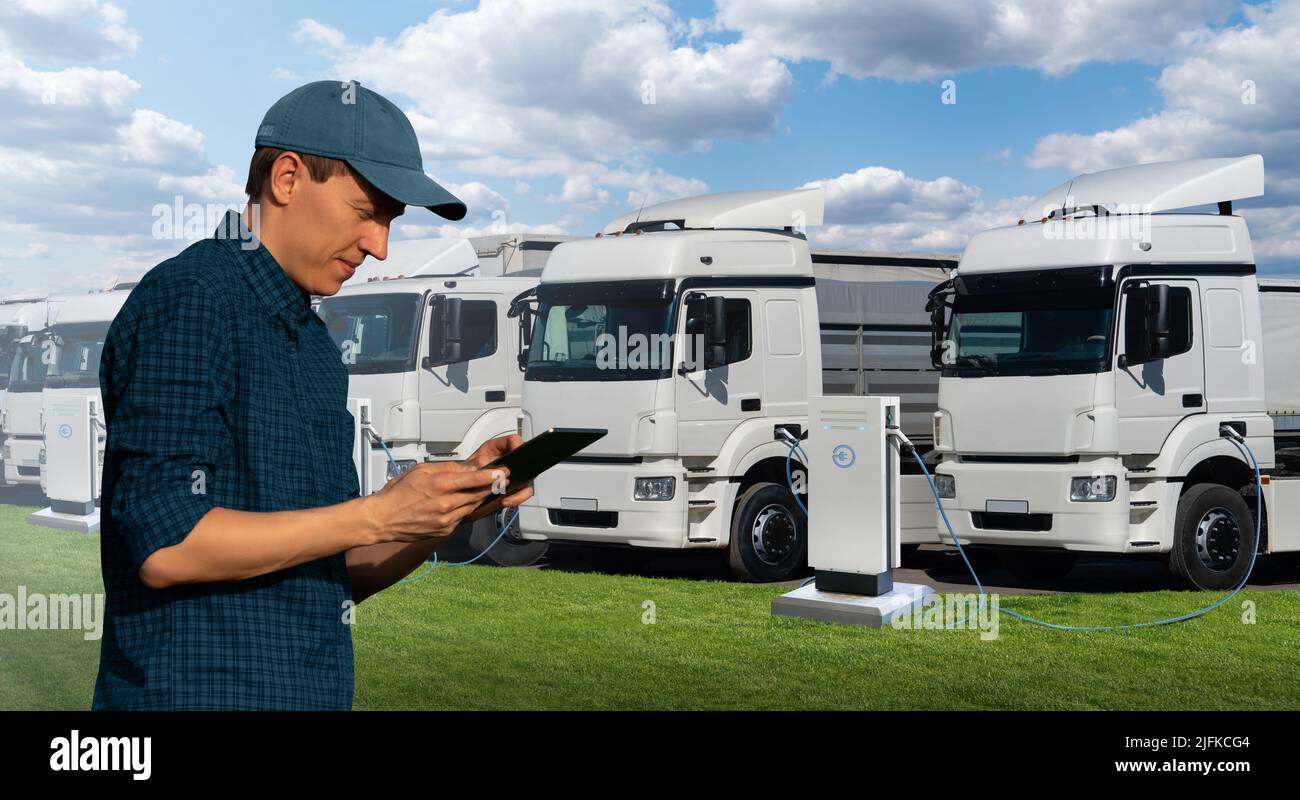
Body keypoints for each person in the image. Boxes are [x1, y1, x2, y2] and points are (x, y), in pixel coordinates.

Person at [92, 80, 531, 710]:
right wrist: (378, 512)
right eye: (367, 211)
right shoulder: (192, 297)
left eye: (390, 221)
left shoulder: (312, 340)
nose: (380, 245)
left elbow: (336, 570)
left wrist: (443, 514)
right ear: (289, 179)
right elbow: (167, 546)